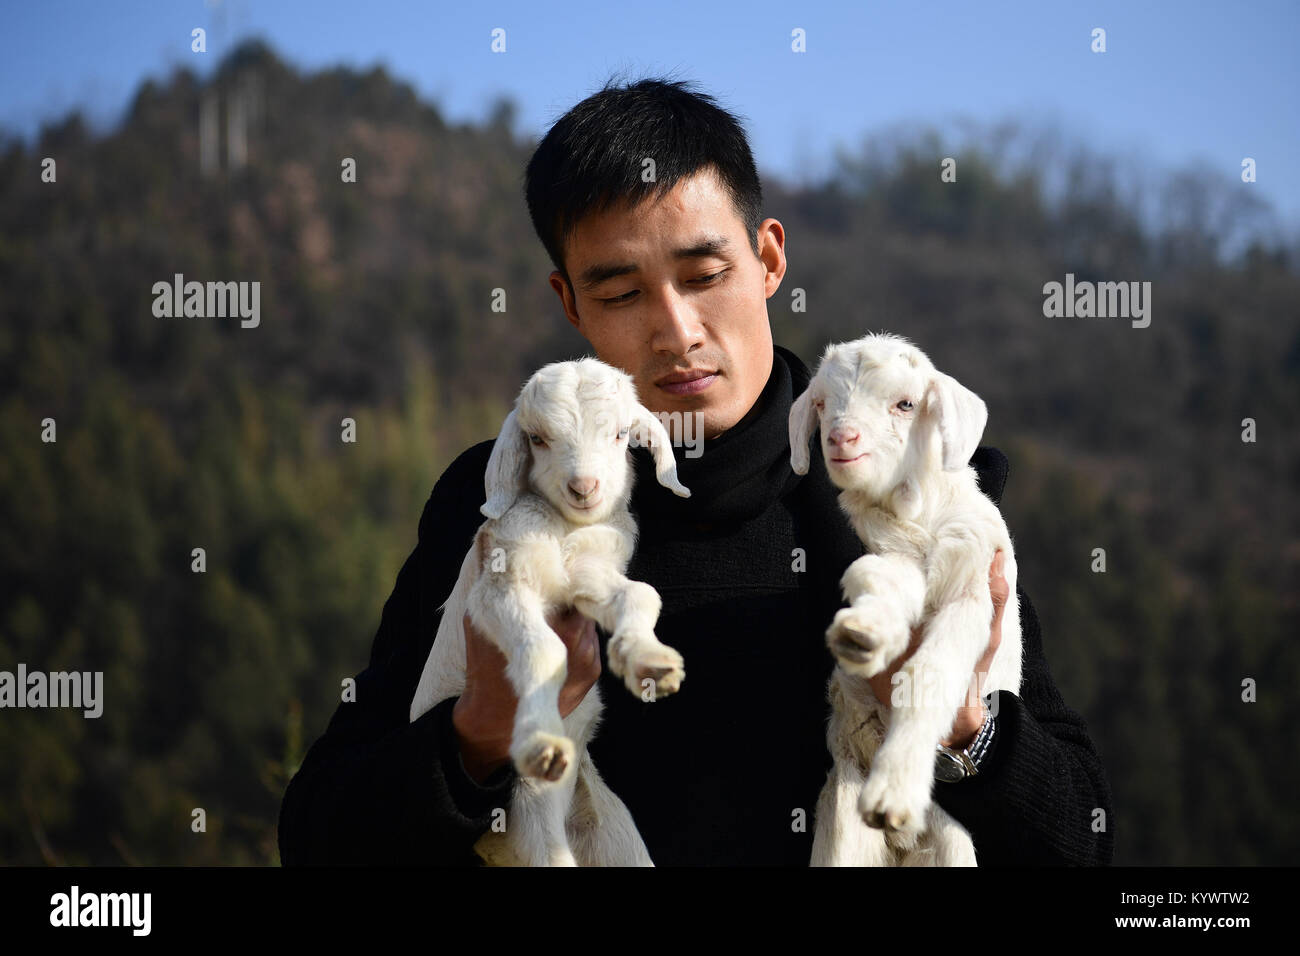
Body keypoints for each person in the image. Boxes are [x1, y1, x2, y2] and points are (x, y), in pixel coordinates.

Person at [278, 77, 1114, 866]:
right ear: (569, 303)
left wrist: (960, 726)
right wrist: (481, 732)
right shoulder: (496, 504)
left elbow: (1082, 841)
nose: (675, 330)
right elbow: (319, 836)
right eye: (619, 294)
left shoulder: (913, 492)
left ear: (769, 259)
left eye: (704, 275)